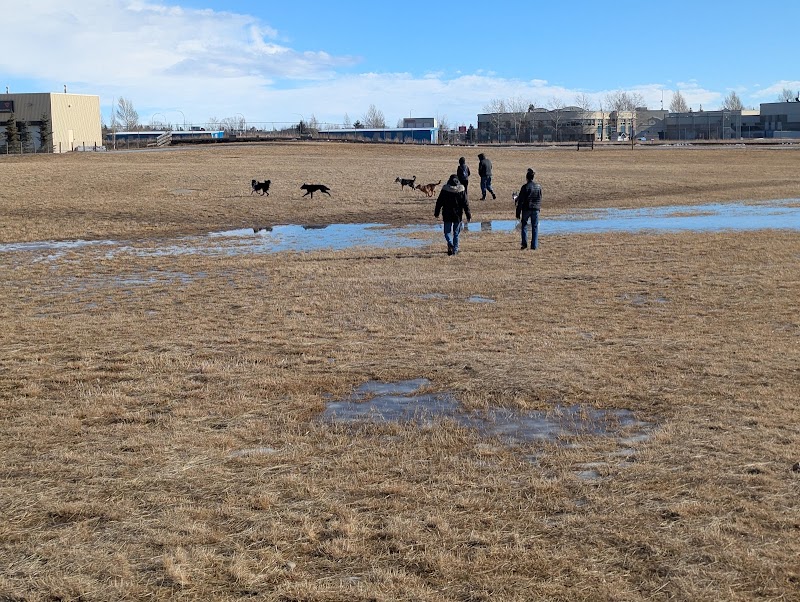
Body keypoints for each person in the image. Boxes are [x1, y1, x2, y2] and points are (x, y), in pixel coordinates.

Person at [434, 174, 471, 255]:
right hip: (457, 214)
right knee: (456, 233)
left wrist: (436, 212)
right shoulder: (461, 189)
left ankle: (450, 244)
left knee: (447, 233)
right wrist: (468, 215)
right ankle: (455, 249)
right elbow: (465, 203)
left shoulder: (445, 188)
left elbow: (439, 202)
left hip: (447, 214)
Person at [515, 168, 542, 250]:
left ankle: (524, 244)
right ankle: (534, 245)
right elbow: (540, 198)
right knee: (535, 227)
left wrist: (518, 212)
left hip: (526, 209)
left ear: (526, 178)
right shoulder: (538, 186)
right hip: (536, 209)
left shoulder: (525, 187)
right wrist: (538, 208)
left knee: (524, 226)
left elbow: (520, 201)